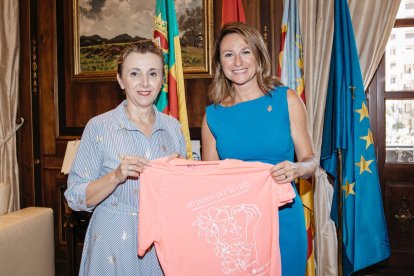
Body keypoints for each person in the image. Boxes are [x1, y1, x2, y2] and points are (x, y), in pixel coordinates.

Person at [201, 22, 318, 275]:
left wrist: (297, 168)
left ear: (258, 55)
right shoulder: (213, 116)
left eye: (245, 52)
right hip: (237, 228)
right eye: (228, 55)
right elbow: (208, 182)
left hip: (284, 219)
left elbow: (311, 161)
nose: (237, 61)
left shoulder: (286, 99)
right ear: (220, 63)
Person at [65, 40, 186, 276]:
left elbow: (183, 196)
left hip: (162, 243)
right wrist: (116, 176)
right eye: (134, 74)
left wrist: (181, 173)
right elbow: (75, 197)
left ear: (162, 80)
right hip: (113, 242)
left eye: (153, 73)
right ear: (120, 80)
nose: (144, 82)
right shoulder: (99, 127)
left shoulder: (173, 128)